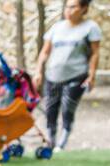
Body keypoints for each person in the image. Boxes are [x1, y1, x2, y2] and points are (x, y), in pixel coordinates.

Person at [35, 0, 102, 151]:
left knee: (67, 109)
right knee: (50, 110)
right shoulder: (56, 28)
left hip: (77, 75)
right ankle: (50, 141)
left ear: (84, 8)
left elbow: (95, 54)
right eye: (67, 7)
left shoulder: (91, 28)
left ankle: (62, 144)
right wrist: (38, 70)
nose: (69, 10)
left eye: (73, 7)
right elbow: (45, 51)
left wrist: (91, 75)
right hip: (53, 75)